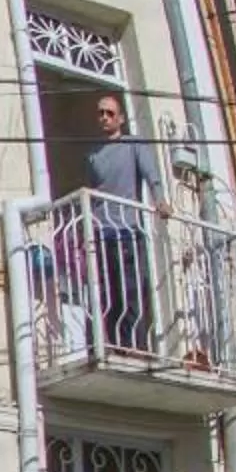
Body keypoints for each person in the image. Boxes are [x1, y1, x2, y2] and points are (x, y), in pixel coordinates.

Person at [86, 93, 168, 357]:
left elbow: (151, 175)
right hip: (101, 230)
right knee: (107, 292)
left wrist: (161, 201)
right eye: (100, 113)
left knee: (132, 288)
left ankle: (134, 346)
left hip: (127, 229)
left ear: (120, 118)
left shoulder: (133, 144)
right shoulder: (93, 155)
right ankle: (114, 346)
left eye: (110, 113)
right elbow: (92, 189)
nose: (104, 118)